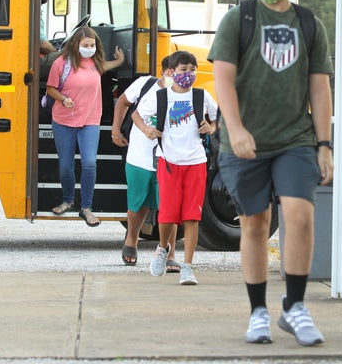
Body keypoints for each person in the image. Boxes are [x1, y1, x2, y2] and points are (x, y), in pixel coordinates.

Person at [208, 0, 333, 347]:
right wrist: (237, 128)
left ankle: (295, 307)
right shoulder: (238, 19)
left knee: (299, 215)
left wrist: (325, 143)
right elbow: (222, 79)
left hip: (295, 138)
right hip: (243, 142)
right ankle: (258, 311)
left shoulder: (309, 24)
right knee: (256, 224)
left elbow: (319, 85)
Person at [134, 50, 218, 285]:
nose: (188, 75)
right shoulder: (161, 97)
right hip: (169, 161)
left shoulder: (201, 96)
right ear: (172, 71)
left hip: (195, 161)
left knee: (192, 215)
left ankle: (188, 267)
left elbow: (218, 117)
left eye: (192, 70)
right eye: (183, 70)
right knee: (168, 215)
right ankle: (163, 248)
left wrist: (211, 128)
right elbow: (136, 115)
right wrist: (147, 130)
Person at [46, 27, 125, 226]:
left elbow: (107, 65)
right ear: (75, 45)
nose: (89, 49)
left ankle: (86, 208)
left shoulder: (95, 64)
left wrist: (121, 61)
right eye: (85, 45)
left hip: (90, 120)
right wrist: (63, 99)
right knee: (66, 165)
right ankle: (68, 200)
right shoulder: (61, 63)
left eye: (92, 45)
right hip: (63, 119)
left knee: (90, 164)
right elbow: (50, 89)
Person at [110, 56, 181, 272]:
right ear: (164, 71)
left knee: (168, 206)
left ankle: (169, 253)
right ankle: (132, 238)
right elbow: (124, 102)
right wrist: (115, 131)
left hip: (169, 157)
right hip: (140, 155)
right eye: (173, 71)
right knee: (138, 202)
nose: (176, 75)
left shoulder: (186, 94)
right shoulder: (145, 84)